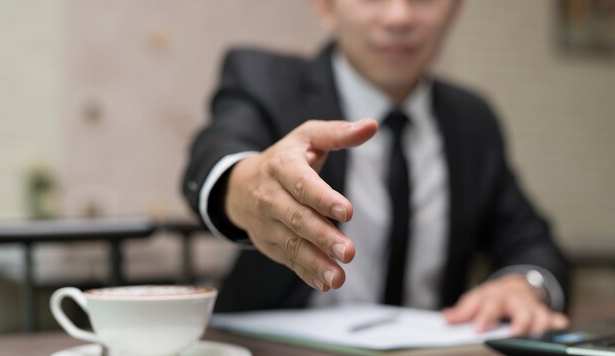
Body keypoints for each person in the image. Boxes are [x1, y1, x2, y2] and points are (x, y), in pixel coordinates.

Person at [182, 0, 570, 335]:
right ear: (327, 7)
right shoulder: (265, 80)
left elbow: (531, 240)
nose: (399, 17)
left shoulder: (472, 121)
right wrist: (246, 186)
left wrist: (524, 284)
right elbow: (217, 153)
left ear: (455, 9)